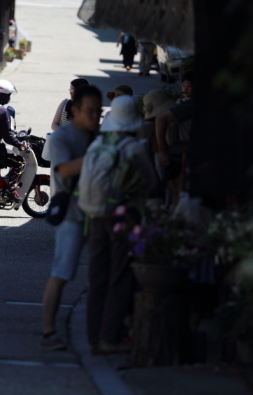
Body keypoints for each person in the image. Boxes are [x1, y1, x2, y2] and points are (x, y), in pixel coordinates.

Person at [85, 96, 157, 354]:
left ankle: (93, 336)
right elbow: (151, 183)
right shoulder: (135, 147)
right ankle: (110, 336)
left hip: (95, 216)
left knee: (97, 276)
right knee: (120, 276)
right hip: (124, 217)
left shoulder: (97, 145)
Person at [40, 85, 103, 350]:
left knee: (103, 273)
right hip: (73, 213)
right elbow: (64, 169)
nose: (94, 117)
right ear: (74, 110)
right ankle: (48, 331)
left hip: (99, 212)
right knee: (62, 272)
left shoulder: (98, 135)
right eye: (89, 112)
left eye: (98, 112)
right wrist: (102, 154)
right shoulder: (62, 137)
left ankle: (101, 332)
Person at [0, 79, 27, 199]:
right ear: (2, 95)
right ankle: (10, 190)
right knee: (21, 162)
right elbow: (7, 137)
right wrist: (20, 144)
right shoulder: (2, 111)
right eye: (8, 95)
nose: (9, 97)